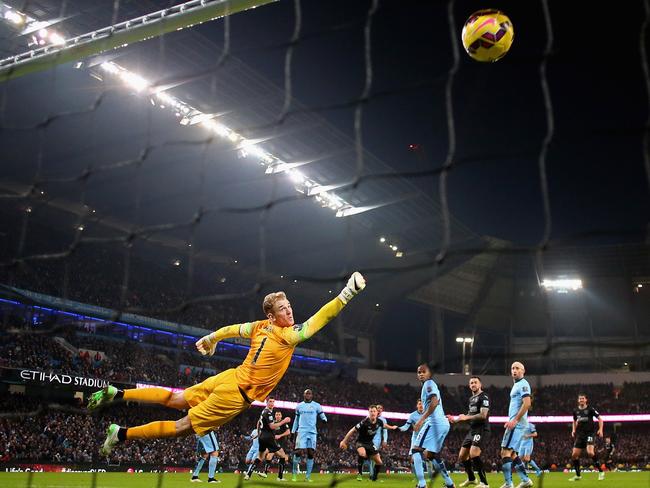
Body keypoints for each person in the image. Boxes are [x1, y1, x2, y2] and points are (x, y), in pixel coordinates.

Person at [86, 272, 366, 455]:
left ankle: (118, 393)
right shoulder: (288, 336)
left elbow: (233, 328)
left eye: (289, 305)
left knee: (175, 398)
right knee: (181, 426)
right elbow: (321, 318)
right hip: (235, 394)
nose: (289, 310)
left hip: (229, 377)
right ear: (272, 316)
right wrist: (347, 294)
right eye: (283, 308)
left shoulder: (259, 326)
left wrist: (212, 337)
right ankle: (121, 434)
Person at [412, 363, 455, 488]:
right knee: (432, 455)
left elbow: (434, 402)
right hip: (443, 423)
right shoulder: (430, 385)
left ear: (429, 373)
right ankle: (449, 484)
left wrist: (421, 419)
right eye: (418, 372)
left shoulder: (428, 384)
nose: (420, 374)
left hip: (434, 423)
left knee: (416, 450)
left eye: (423, 372)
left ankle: (421, 484)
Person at [447, 376, 490, 488]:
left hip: (481, 429)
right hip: (472, 430)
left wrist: (466, 418)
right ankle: (471, 478)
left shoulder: (484, 396)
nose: (473, 384)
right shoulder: (471, 399)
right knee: (462, 456)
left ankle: (484, 483)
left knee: (474, 454)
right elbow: (469, 415)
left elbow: (483, 415)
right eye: (471, 383)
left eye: (475, 382)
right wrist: (455, 420)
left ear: (480, 384)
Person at [499, 361, 533, 488]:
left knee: (505, 452)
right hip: (519, 424)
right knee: (513, 454)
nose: (514, 370)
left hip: (517, 424)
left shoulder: (523, 384)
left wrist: (514, 420)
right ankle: (525, 480)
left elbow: (527, 403)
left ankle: (508, 484)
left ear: (523, 371)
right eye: (512, 368)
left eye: (517, 368)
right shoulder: (517, 385)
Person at [245, 397, 291, 481]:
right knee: (282, 456)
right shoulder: (268, 413)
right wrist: (284, 421)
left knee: (260, 457)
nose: (272, 403)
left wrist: (259, 433)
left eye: (273, 401)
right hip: (269, 438)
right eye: (270, 401)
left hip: (262, 438)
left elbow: (259, 422)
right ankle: (279, 477)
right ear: (267, 402)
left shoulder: (264, 412)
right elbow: (272, 426)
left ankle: (248, 474)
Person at [339, 405, 389, 482]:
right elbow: (353, 430)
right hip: (362, 442)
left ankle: (373, 476)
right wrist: (344, 441)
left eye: (374, 411)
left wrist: (393, 428)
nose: (373, 413)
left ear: (378, 412)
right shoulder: (365, 421)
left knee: (378, 461)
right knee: (363, 454)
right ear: (369, 412)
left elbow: (385, 428)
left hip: (372, 442)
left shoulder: (381, 421)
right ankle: (360, 473)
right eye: (371, 411)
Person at [291, 388, 327, 482]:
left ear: (312, 395)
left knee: (310, 453)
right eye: (306, 393)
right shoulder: (299, 406)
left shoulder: (317, 406)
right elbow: (296, 420)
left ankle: (307, 477)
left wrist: (324, 420)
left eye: (309, 393)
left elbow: (322, 415)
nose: (308, 395)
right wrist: (292, 431)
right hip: (301, 431)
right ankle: (294, 475)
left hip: (312, 432)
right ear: (304, 395)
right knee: (298, 452)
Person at [569, 393, 604, 482]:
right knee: (574, 455)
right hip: (580, 435)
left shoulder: (590, 409)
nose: (581, 400)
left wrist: (600, 430)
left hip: (590, 434)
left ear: (586, 400)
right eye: (580, 399)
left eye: (583, 399)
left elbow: (600, 419)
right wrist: (573, 430)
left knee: (590, 453)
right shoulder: (575, 410)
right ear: (578, 400)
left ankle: (601, 471)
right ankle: (578, 475)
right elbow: (574, 421)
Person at [399, 399, 434, 483]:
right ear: (417, 405)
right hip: (416, 439)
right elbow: (406, 427)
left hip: (426, 438)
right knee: (413, 460)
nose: (421, 405)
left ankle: (430, 478)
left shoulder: (428, 414)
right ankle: (418, 478)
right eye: (419, 404)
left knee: (428, 458)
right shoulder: (413, 415)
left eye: (422, 404)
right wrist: (398, 428)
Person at [263, 410, 291, 481]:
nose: (278, 416)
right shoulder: (273, 424)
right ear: (274, 416)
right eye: (276, 414)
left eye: (279, 414)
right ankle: (267, 473)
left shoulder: (283, 423)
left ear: (281, 416)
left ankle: (278, 476)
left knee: (282, 458)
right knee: (270, 455)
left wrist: (280, 435)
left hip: (281, 444)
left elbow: (288, 432)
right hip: (274, 443)